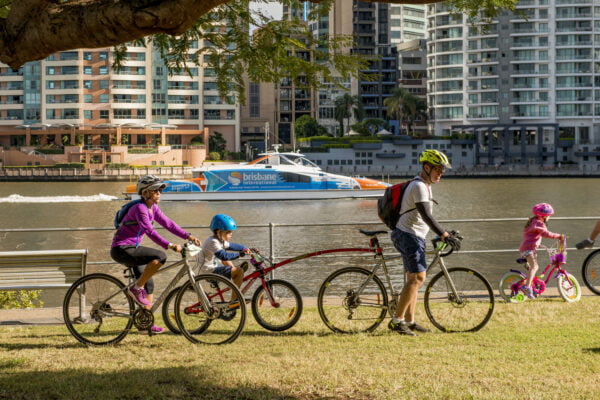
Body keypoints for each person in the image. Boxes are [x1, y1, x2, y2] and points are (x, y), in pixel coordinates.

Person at [110, 175, 201, 334]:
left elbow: (168, 224)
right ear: (145, 192)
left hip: (132, 248)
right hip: (122, 249)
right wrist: (170, 245)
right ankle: (136, 288)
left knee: (149, 284)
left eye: (160, 190)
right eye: (156, 190)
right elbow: (149, 231)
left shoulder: (153, 208)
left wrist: (188, 236)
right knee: (160, 257)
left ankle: (145, 324)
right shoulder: (140, 208)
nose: (159, 193)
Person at [389, 149, 460, 336]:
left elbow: (424, 219)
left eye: (442, 170)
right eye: (437, 169)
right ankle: (397, 321)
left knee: (414, 280)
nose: (441, 173)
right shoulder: (419, 186)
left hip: (412, 235)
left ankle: (409, 321)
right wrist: (444, 234)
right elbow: (426, 215)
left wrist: (444, 233)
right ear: (426, 167)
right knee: (417, 278)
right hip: (408, 235)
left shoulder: (425, 185)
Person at [519, 203, 563, 299]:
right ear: (543, 216)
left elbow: (532, 236)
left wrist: (538, 244)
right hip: (528, 249)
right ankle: (527, 287)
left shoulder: (533, 221)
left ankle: (532, 285)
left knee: (533, 268)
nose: (549, 218)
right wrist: (559, 236)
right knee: (535, 267)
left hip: (528, 248)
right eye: (549, 216)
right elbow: (545, 233)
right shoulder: (539, 223)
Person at [197, 214, 250, 289]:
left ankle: (235, 272)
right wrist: (239, 254)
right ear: (219, 232)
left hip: (214, 267)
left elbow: (232, 246)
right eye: (228, 232)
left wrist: (245, 248)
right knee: (237, 270)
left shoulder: (219, 240)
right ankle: (235, 299)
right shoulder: (213, 242)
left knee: (226, 261)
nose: (231, 234)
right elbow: (223, 256)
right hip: (208, 272)